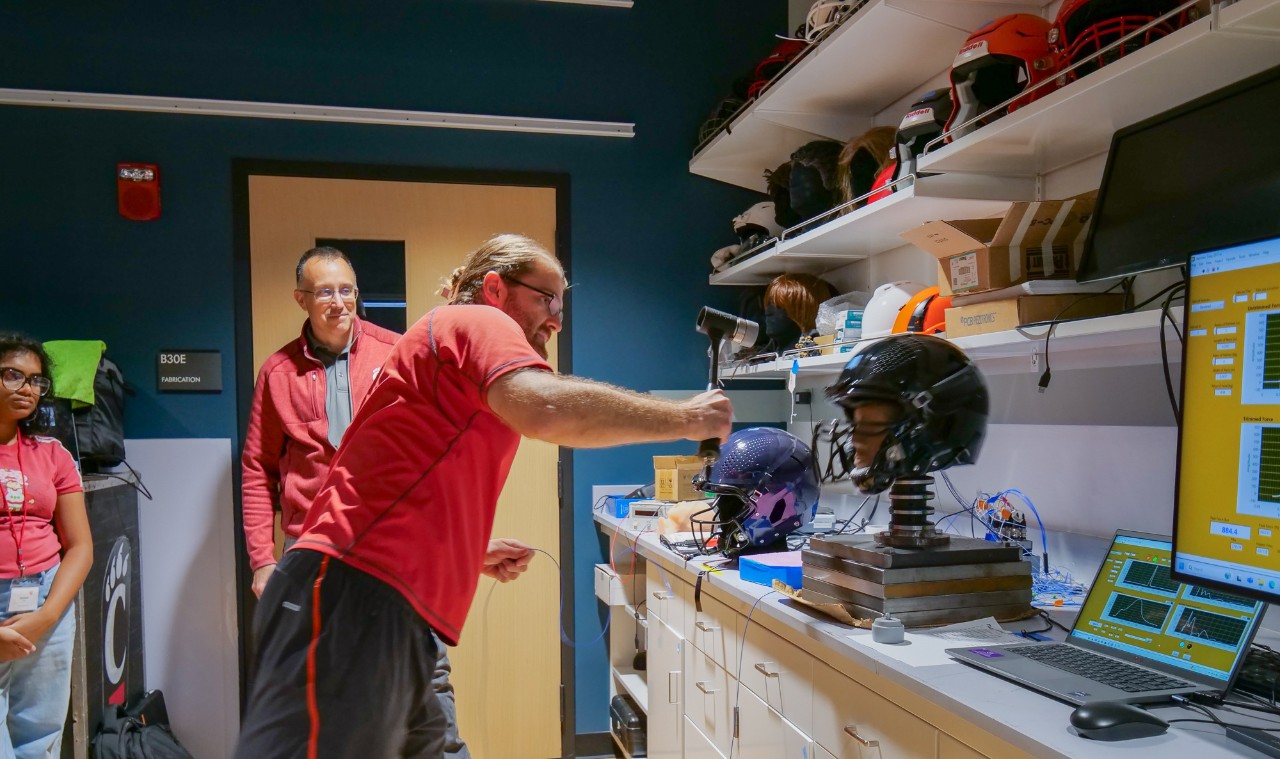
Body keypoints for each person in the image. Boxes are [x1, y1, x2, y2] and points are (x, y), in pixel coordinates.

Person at [234, 234, 733, 759]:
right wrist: (688, 417)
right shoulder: (475, 320)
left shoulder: (450, 356)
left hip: (393, 606)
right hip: (348, 596)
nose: (557, 318)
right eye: (546, 298)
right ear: (495, 288)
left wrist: (464, 554)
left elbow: (401, 479)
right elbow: (546, 411)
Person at [240, 246, 483, 758]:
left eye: (346, 289)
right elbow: (258, 469)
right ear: (301, 298)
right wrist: (263, 560)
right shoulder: (277, 371)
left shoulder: (397, 352)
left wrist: (460, 543)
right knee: (327, 696)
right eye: (324, 291)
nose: (338, 301)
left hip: (399, 556)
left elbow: (436, 454)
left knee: (428, 686)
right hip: (315, 559)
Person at [0, 333, 93, 758]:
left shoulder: (53, 454)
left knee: (40, 738)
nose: (27, 388)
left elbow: (80, 546)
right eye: (13, 375)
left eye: (37, 381)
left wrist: (47, 615)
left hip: (46, 598)